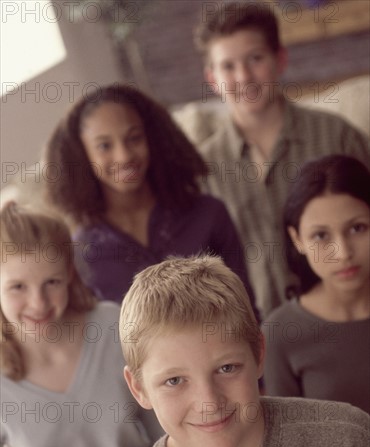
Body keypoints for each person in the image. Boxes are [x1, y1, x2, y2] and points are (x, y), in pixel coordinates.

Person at [101, 255, 369, 447]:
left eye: (226, 368)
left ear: (259, 354)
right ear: (138, 388)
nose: (209, 402)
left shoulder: (350, 443)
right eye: (174, 381)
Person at [0, 202, 162, 447]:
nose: (38, 303)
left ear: (70, 274)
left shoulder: (111, 326)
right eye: (18, 287)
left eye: (51, 282)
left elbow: (167, 435)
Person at [194, 2, 370, 317]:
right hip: (255, 333)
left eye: (255, 59)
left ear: (280, 59)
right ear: (212, 79)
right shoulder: (202, 169)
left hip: (349, 316)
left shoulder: (337, 137)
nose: (244, 76)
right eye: (228, 66)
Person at [44, 84, 257, 316]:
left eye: (134, 138)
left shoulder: (209, 214)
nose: (124, 156)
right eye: (104, 146)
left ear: (152, 138)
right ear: (82, 155)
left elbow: (247, 314)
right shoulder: (80, 256)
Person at [262, 155, 370, 413]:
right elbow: (290, 443)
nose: (342, 252)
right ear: (297, 239)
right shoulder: (279, 334)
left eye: (357, 228)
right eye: (321, 235)